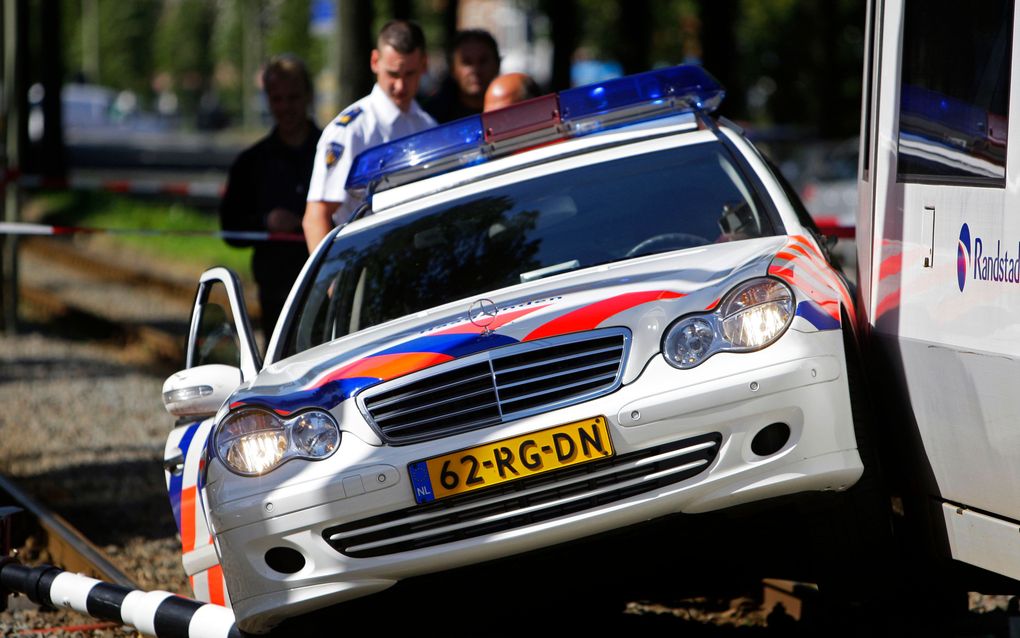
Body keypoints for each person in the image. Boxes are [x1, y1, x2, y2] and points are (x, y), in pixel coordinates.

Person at [303, 20, 436, 253]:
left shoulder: (426, 125)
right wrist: (332, 285)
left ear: (424, 64)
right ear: (375, 61)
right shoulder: (350, 131)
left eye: (410, 74)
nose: (400, 85)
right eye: (393, 74)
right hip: (365, 257)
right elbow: (316, 216)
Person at [219, 54, 319, 339]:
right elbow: (230, 228)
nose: (285, 107)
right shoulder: (251, 163)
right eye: (277, 99)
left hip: (329, 290)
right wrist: (265, 223)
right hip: (277, 296)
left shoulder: (332, 155)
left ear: (308, 97)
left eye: (293, 98)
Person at [423, 29, 501, 123]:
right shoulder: (430, 119)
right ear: (452, 69)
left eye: (483, 61)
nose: (475, 70)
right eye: (467, 62)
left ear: (497, 65)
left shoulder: (512, 110)